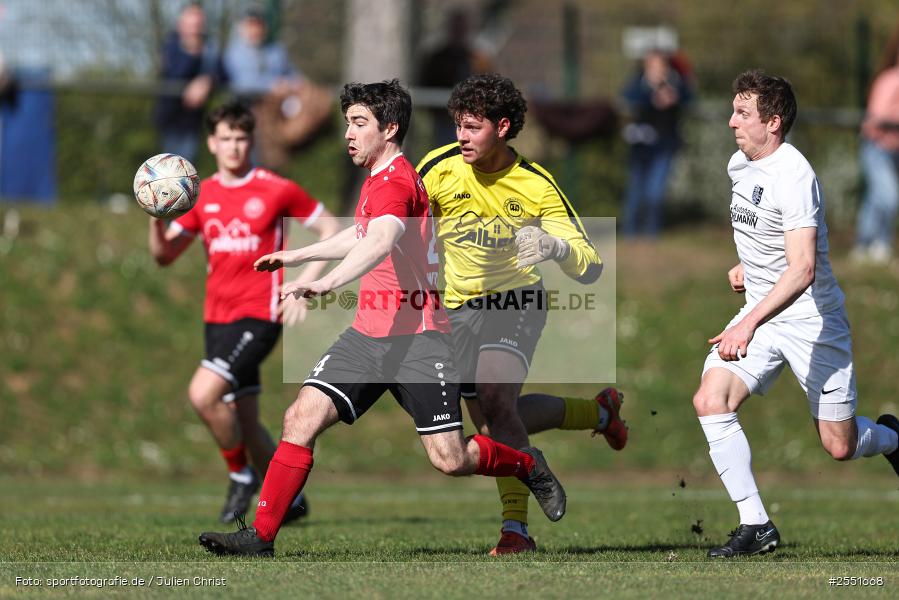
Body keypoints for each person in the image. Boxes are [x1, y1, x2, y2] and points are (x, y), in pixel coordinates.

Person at [197, 79, 567, 557]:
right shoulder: (377, 177)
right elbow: (361, 233)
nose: (348, 134)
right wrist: (299, 256)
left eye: (359, 123)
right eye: (347, 123)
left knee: (450, 458)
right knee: (301, 417)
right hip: (368, 336)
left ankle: (526, 464)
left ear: (389, 128)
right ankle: (261, 537)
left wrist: (327, 283)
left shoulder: (396, 182)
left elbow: (381, 239)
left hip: (419, 340)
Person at [417, 73, 627, 555]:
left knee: (495, 399)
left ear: (503, 127)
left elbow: (591, 265)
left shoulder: (536, 184)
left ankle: (516, 531)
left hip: (516, 301)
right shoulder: (438, 168)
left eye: (473, 127)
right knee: (495, 422)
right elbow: (396, 220)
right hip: (458, 306)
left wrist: (555, 247)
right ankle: (600, 412)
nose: (461, 137)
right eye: (458, 125)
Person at [693, 70, 899, 558]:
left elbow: (803, 268)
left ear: (773, 122)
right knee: (711, 400)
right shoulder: (741, 165)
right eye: (733, 111)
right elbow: (766, 235)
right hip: (764, 312)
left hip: (811, 320)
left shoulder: (795, 176)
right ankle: (756, 525)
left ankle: (892, 437)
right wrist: (747, 266)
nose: (731, 122)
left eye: (743, 113)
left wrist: (746, 323)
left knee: (839, 446)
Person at [149, 101, 340, 523]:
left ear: (250, 141)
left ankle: (241, 476)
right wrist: (155, 217)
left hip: (260, 316)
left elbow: (330, 227)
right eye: (226, 138)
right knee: (247, 422)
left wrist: (303, 285)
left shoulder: (276, 188)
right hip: (216, 319)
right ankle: (290, 500)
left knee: (203, 394)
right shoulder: (199, 195)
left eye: (241, 138)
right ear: (211, 143)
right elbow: (164, 255)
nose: (234, 146)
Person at [223, 6, 332, 169]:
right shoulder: (234, 52)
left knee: (275, 162)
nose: (255, 30)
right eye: (250, 25)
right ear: (242, 28)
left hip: (275, 115)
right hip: (246, 111)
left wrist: (298, 84)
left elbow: (291, 73)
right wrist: (271, 86)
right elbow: (240, 84)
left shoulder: (275, 50)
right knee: (251, 161)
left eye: (258, 26)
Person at [621, 49, 693, 238]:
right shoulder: (639, 83)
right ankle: (630, 233)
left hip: (664, 145)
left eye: (659, 66)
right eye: (651, 66)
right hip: (640, 146)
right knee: (635, 190)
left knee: (655, 191)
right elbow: (627, 100)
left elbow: (690, 99)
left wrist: (675, 97)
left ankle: (651, 233)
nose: (656, 70)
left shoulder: (676, 82)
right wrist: (651, 96)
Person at [153, 3, 223, 162]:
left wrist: (207, 81)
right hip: (169, 119)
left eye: (198, 25)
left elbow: (223, 75)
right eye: (192, 25)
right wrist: (191, 52)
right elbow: (174, 75)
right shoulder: (170, 46)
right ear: (180, 25)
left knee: (186, 166)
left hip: (193, 121)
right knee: (168, 167)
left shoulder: (210, 49)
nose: (195, 30)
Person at [852, 27, 899, 264]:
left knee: (875, 198)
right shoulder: (890, 80)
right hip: (877, 146)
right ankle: (876, 242)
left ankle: (866, 244)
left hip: (894, 149)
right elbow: (877, 117)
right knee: (888, 196)